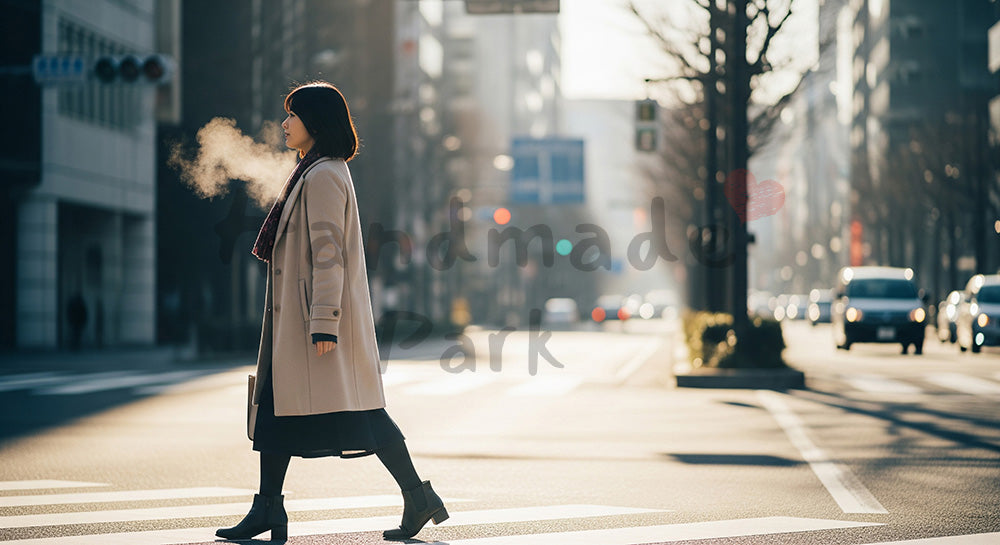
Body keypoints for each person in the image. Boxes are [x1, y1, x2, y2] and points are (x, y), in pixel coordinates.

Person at [217, 82, 447, 542]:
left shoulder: (322, 175)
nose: (284, 124)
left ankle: (416, 496)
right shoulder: (313, 170)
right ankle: (269, 508)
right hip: (299, 320)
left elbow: (328, 255)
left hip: (312, 322)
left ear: (315, 123)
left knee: (362, 413)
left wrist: (324, 321)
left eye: (292, 116)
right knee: (279, 415)